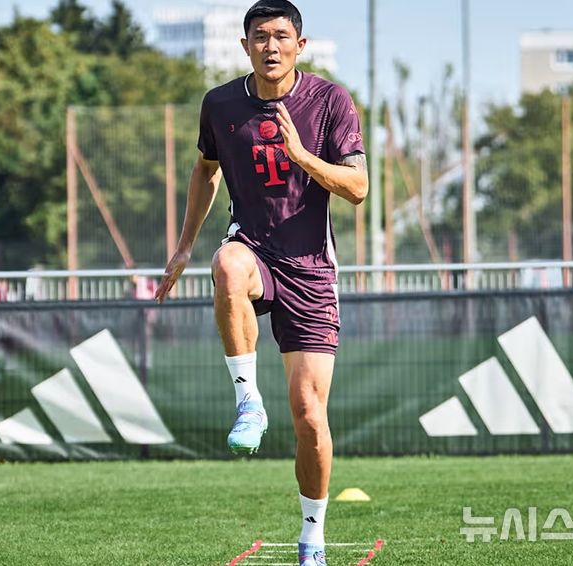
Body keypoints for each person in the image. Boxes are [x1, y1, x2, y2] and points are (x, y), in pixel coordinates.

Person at [154, 1, 367, 564]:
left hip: (311, 268)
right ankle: (248, 399)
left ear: (301, 43)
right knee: (225, 266)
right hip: (252, 249)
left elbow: (359, 187)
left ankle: (312, 535)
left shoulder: (329, 101)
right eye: (259, 37)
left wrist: (301, 155)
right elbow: (205, 170)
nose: (270, 46)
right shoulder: (220, 104)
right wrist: (181, 250)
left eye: (280, 36)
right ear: (244, 45)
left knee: (310, 418)